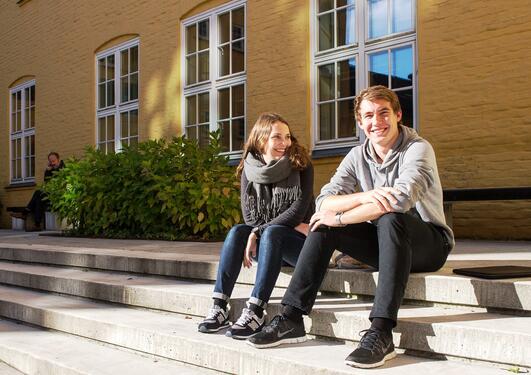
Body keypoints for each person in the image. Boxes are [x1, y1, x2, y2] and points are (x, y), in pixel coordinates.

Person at [248, 86, 454, 369]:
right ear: (360, 122)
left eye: (383, 113)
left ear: (398, 115)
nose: (376, 121)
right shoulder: (358, 155)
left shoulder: (418, 148)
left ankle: (381, 331)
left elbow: (400, 199)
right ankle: (291, 317)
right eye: (368, 115)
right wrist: (363, 197)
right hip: (386, 244)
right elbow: (324, 200)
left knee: (389, 217)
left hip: (428, 244)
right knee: (322, 223)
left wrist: (342, 217)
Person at [198, 112, 314, 340]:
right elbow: (249, 216)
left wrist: (259, 231)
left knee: (270, 231)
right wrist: (257, 230)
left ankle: (256, 310)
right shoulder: (248, 169)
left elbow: (297, 212)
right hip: (271, 243)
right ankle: (220, 305)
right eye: (277, 137)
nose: (285, 143)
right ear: (261, 139)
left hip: (300, 247)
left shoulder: (301, 165)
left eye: (288, 137)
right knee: (237, 231)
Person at [11, 152, 65, 231]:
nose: (52, 163)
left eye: (54, 161)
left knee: (38, 193)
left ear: (58, 160)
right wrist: (48, 171)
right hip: (50, 195)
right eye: (50, 161)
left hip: (59, 197)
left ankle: (25, 213)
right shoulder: (50, 170)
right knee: (39, 197)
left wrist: (55, 169)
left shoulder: (63, 169)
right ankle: (37, 225)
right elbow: (47, 184)